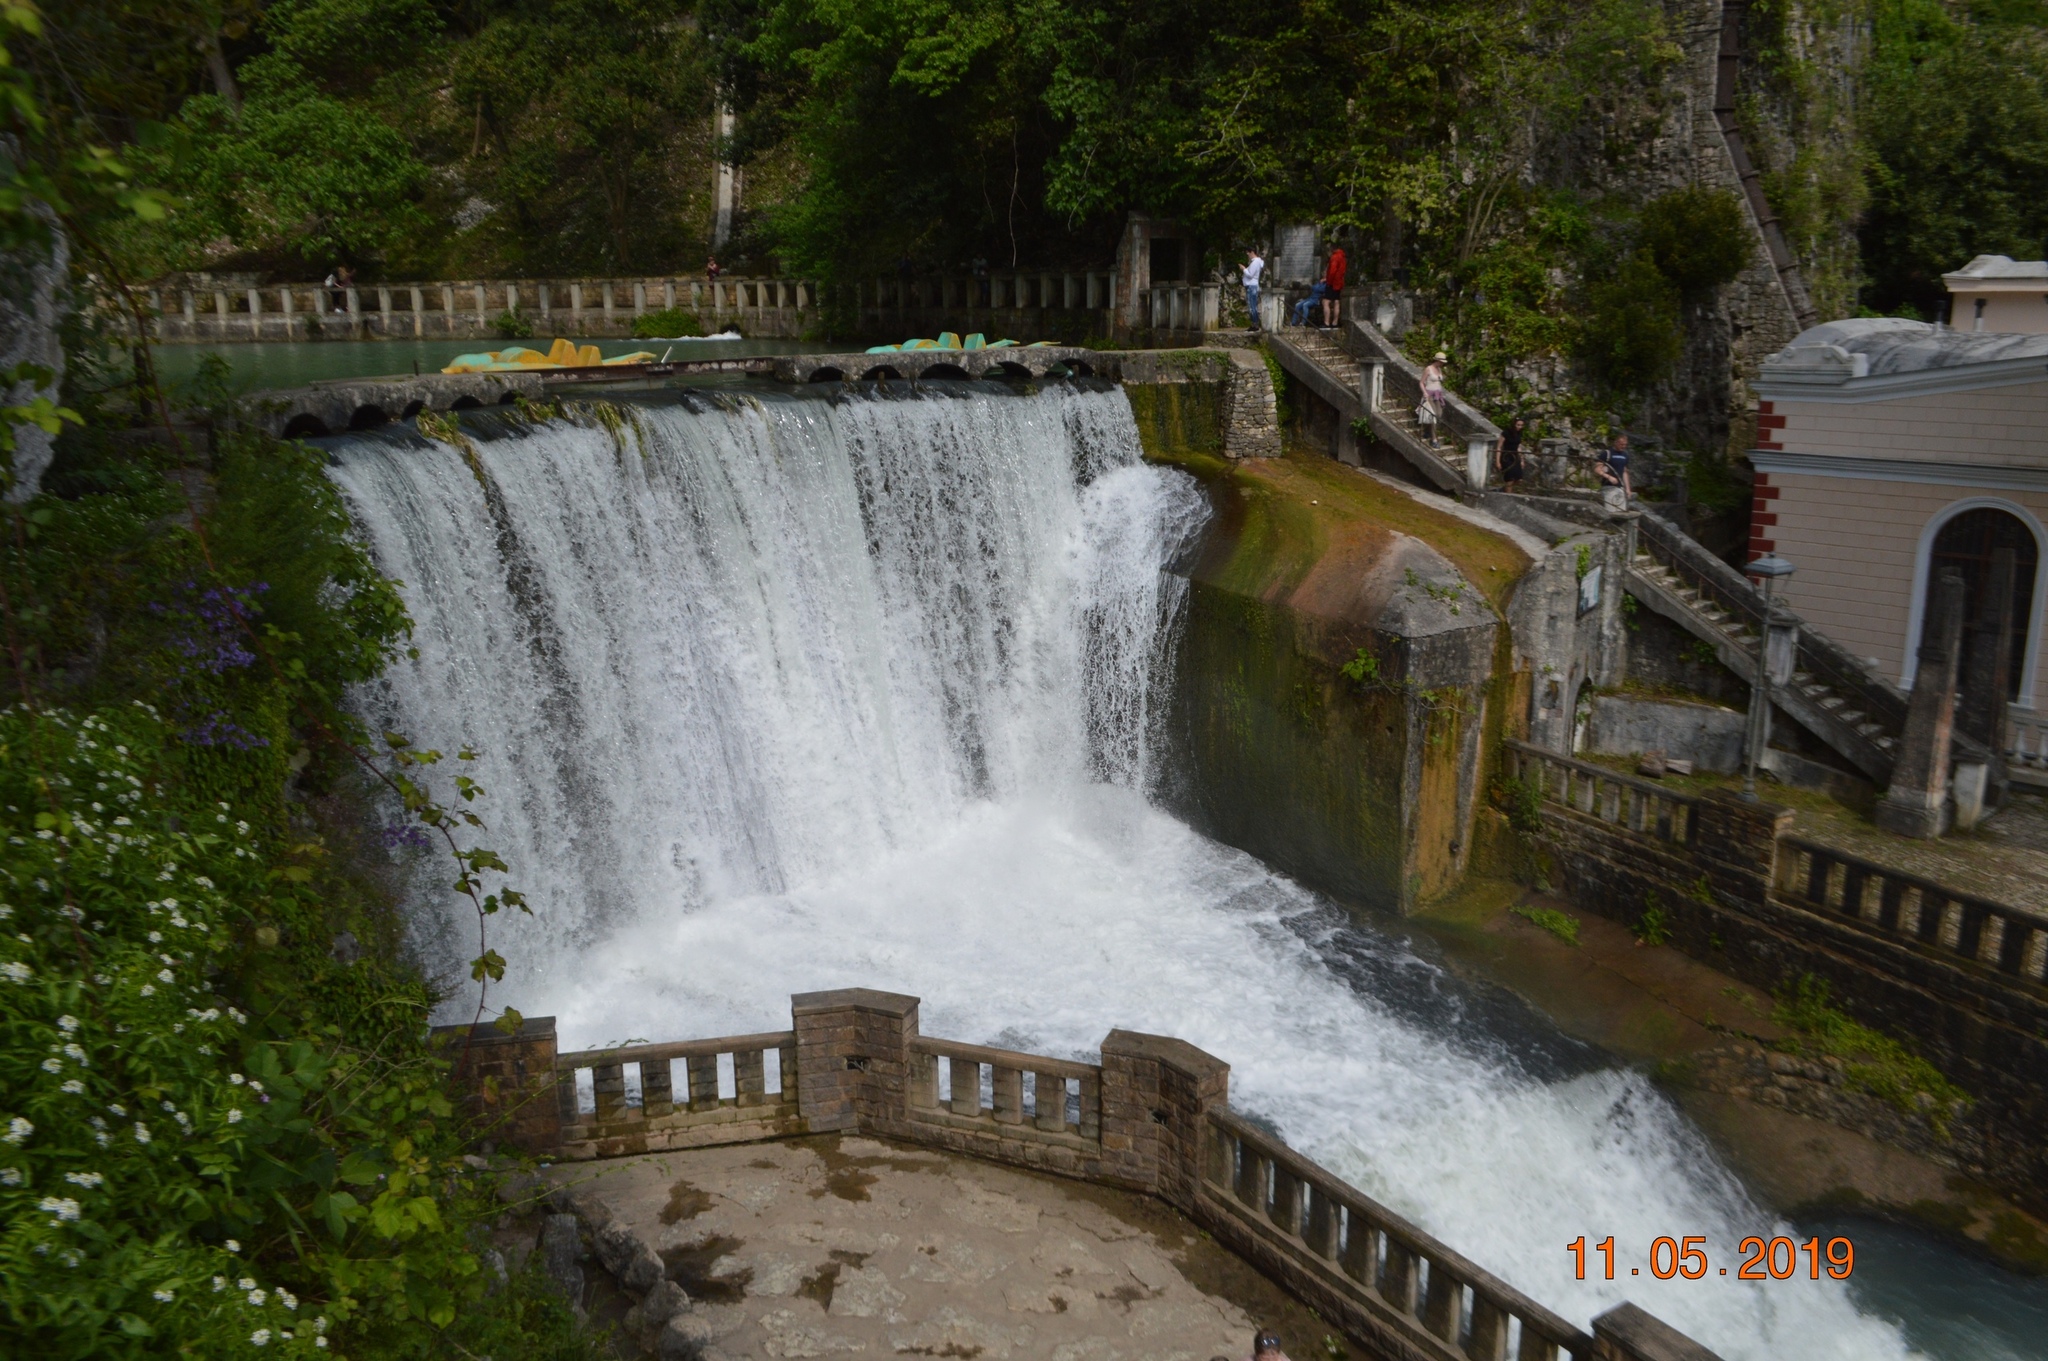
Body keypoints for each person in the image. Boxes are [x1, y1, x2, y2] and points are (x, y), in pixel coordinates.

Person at [1419, 350, 1448, 446]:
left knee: (1439, 414)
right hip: (1429, 395)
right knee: (1433, 415)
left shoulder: (1439, 370)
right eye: (1441, 362)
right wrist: (1424, 393)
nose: (1442, 364)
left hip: (1437, 395)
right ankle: (1434, 439)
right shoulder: (1429, 369)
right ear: (1437, 361)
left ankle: (1427, 430)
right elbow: (1421, 382)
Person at [1597, 431, 1633, 506]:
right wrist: (1609, 477)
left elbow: (1624, 472)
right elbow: (1597, 469)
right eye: (1621, 444)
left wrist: (1628, 489)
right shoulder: (1607, 453)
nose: (1623, 446)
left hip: (1620, 488)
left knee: (1621, 511)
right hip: (1608, 486)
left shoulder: (1625, 455)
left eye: (1625, 445)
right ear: (1616, 442)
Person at [1498, 415, 1528, 489]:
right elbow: (1499, 447)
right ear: (1514, 424)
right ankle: (1507, 493)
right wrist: (1497, 461)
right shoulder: (1506, 433)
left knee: (1519, 478)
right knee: (1510, 478)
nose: (1519, 427)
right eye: (1518, 425)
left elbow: (1518, 447)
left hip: (1515, 456)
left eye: (1521, 425)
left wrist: (1522, 460)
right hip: (1506, 456)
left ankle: (1505, 489)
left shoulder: (1519, 433)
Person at [1321, 245, 1346, 328]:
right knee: (1336, 302)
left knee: (1325, 302)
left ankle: (1326, 322)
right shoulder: (1342, 257)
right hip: (1339, 283)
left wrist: (1328, 281)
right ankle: (1335, 322)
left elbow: (1332, 271)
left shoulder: (1334, 257)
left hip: (1333, 283)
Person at [1242, 247, 1265, 332]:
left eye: (1248, 253)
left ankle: (1255, 324)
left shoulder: (1255, 262)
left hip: (1252, 286)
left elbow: (1250, 274)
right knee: (1251, 306)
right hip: (1252, 286)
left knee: (1252, 307)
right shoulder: (1256, 262)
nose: (1247, 255)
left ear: (1252, 252)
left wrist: (1244, 269)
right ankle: (1253, 324)